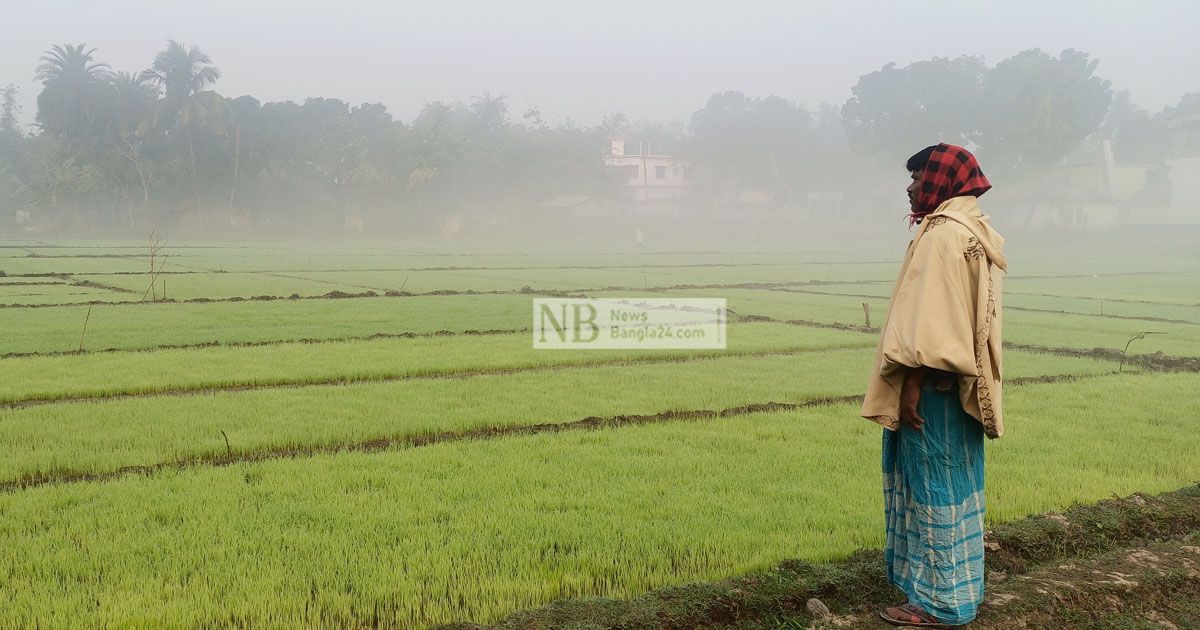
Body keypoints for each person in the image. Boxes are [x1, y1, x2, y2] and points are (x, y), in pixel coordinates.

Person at [862, 143, 1007, 627]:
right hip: (958, 390)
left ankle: (938, 604)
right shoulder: (972, 228)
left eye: (920, 177)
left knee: (934, 492)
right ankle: (959, 592)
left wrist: (912, 382)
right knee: (956, 487)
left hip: (935, 393)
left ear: (942, 181)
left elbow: (932, 320)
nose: (910, 186)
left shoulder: (943, 235)